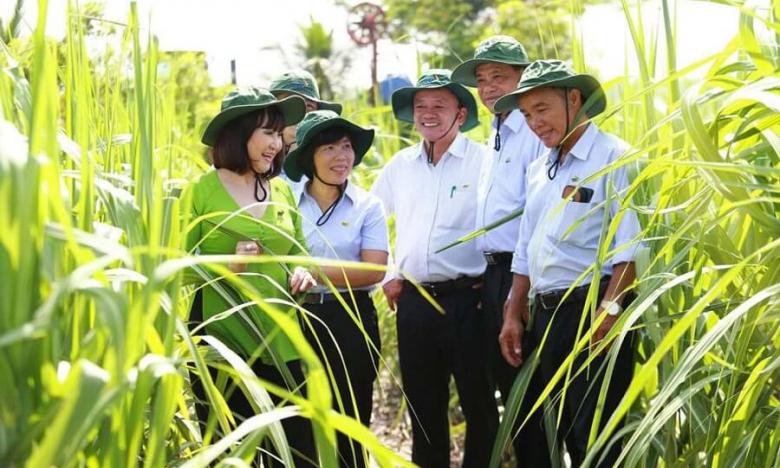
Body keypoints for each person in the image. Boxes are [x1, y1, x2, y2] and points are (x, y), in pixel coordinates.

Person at [496, 60, 641, 467]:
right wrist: (512, 311)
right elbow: (526, 246)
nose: (534, 123)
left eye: (541, 109)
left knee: (594, 440)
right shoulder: (539, 169)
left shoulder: (615, 157)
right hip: (545, 319)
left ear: (574, 98)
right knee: (547, 433)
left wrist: (608, 314)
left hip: (591, 311)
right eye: (526, 115)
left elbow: (629, 249)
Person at [371, 69, 498, 468]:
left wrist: (493, 280)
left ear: (460, 114)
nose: (427, 113)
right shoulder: (399, 165)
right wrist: (389, 272)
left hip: (469, 302)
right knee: (423, 410)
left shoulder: (483, 160)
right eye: (420, 106)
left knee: (480, 408)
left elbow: (511, 222)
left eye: (439, 106)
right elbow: (370, 221)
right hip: (413, 304)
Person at [186, 86, 319, 467]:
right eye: (268, 133)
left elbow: (298, 249)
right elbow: (173, 263)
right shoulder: (200, 190)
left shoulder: (279, 189)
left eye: (279, 134)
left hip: (281, 339)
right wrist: (226, 266)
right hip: (222, 344)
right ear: (239, 132)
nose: (277, 144)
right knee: (228, 450)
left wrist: (301, 271)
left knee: (294, 450)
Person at [452, 35, 548, 468]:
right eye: (483, 79)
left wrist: (517, 292)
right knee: (509, 389)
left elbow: (534, 215)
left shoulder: (531, 132)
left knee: (529, 392)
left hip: (522, 273)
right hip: (493, 275)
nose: (488, 87)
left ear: (523, 79)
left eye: (500, 77)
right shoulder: (496, 134)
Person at [283, 110, 389, 468]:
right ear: (309, 156)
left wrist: (313, 271)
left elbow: (374, 268)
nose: (341, 157)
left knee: (351, 421)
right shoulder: (286, 202)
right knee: (300, 425)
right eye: (329, 147)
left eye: (346, 147)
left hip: (351, 319)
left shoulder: (367, 206)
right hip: (297, 318)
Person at [269, 69, 343, 155]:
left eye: (309, 106)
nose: (300, 112)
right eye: (291, 104)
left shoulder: (326, 161)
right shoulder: (254, 160)